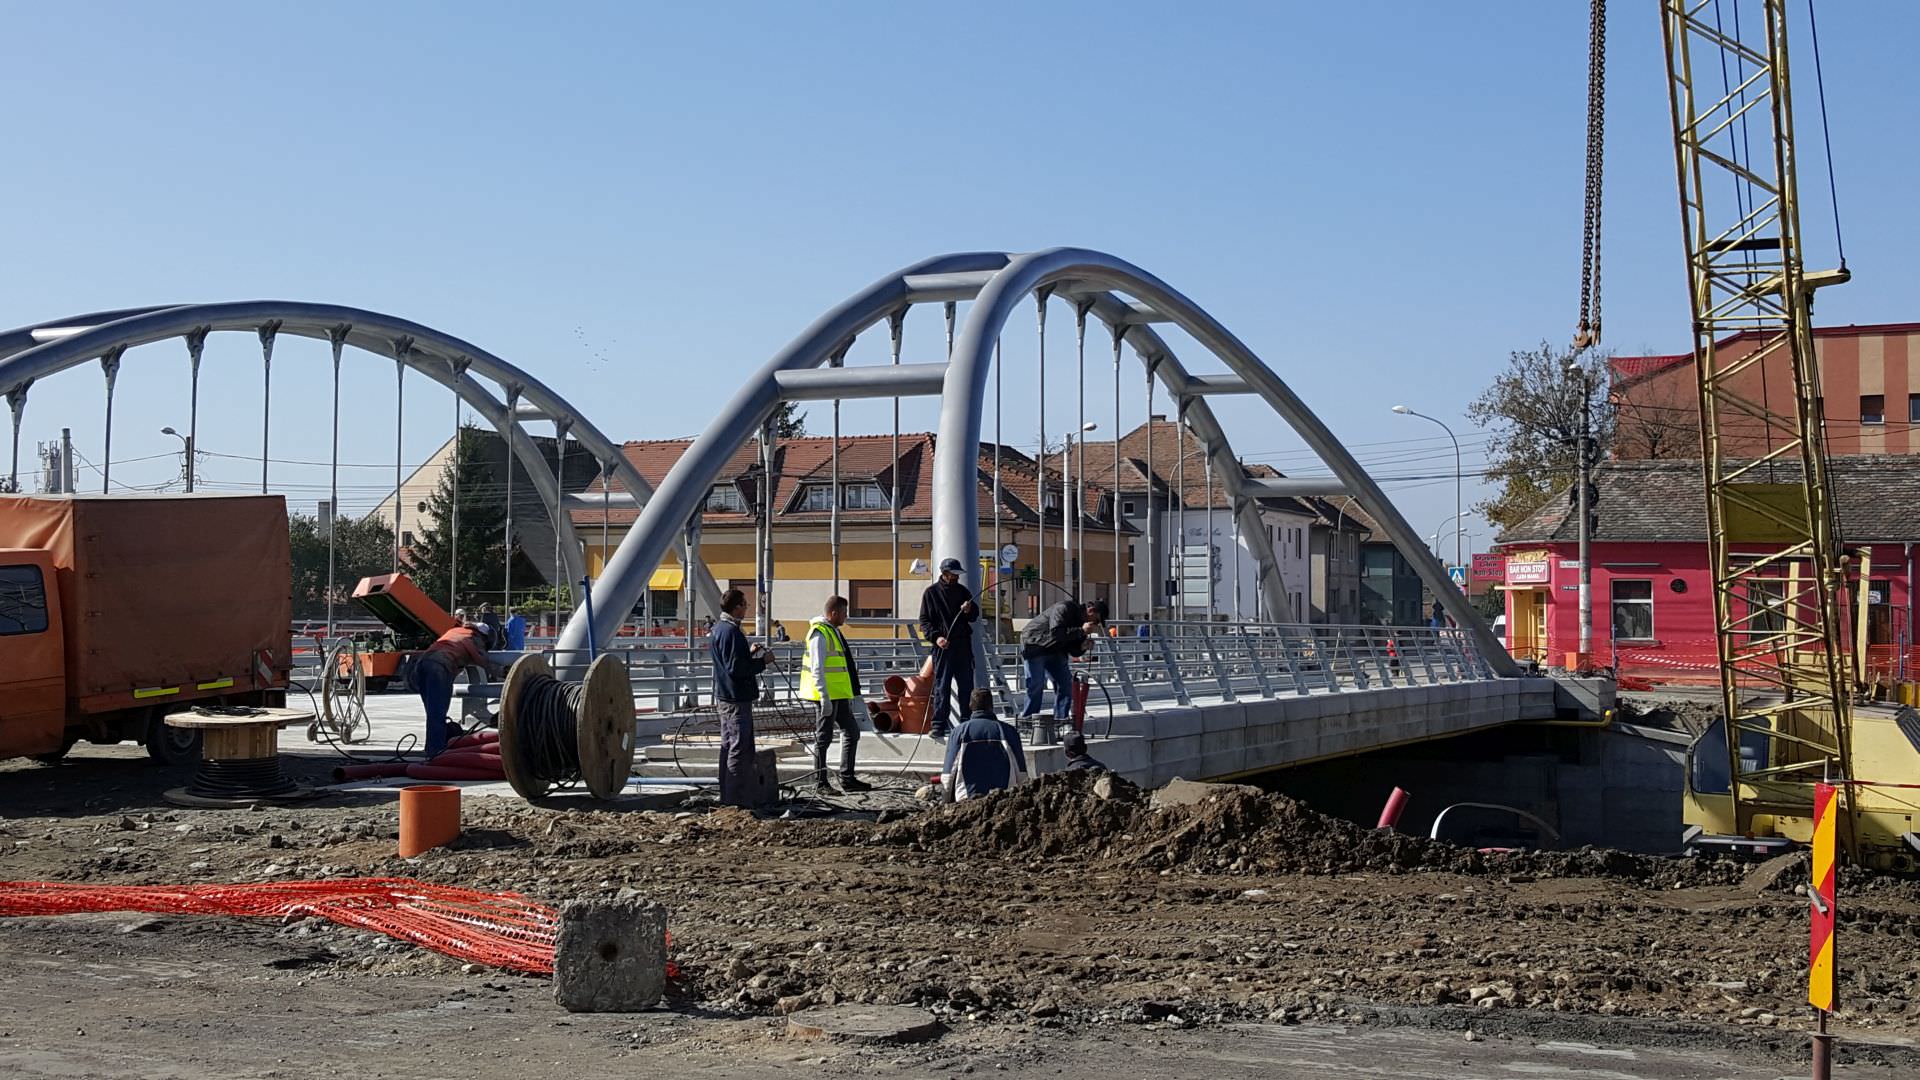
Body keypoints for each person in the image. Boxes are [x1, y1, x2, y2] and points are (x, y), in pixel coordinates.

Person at [800, 596, 871, 795]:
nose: (846, 617)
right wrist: (824, 697)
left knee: (852, 732)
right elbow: (817, 668)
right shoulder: (819, 634)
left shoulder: (833, 632)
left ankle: (847, 778)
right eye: (844, 613)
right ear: (834, 613)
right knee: (823, 738)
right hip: (827, 697)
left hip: (839, 695)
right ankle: (820, 783)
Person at [709, 588, 770, 808]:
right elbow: (736, 668)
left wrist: (749, 652)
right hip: (736, 699)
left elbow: (729, 662)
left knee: (728, 746)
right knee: (739, 748)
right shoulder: (732, 632)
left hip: (725, 697)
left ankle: (728, 797)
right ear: (736, 607)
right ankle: (735, 803)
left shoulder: (719, 629)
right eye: (745, 604)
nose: (747, 608)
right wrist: (763, 662)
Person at [411, 617, 498, 757]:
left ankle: (433, 748)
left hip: (422, 664)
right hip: (439, 667)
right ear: (484, 637)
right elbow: (483, 660)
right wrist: (503, 671)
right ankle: (436, 752)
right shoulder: (474, 637)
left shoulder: (456, 631)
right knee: (437, 714)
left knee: (433, 713)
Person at [1020, 598, 1109, 725]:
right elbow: (1056, 633)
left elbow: (1073, 651)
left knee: (1066, 683)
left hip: (1055, 650)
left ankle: (1060, 720)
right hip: (1036, 644)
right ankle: (1028, 721)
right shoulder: (1064, 608)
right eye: (1096, 620)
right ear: (1091, 611)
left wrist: (1082, 646)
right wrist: (1081, 631)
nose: (1095, 624)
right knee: (1036, 683)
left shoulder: (1082, 624)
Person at [917, 557, 978, 739]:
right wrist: (937, 638)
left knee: (967, 684)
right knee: (941, 686)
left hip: (963, 645)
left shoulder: (963, 591)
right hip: (943, 648)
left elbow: (974, 615)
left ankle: (967, 720)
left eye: (958, 575)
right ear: (945, 574)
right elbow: (924, 621)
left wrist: (969, 609)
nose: (956, 578)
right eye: (953, 574)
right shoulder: (931, 593)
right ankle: (938, 724)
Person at [942, 689, 1027, 801]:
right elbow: (1021, 773)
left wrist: (946, 802)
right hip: (1003, 800)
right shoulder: (1008, 731)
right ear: (991, 706)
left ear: (970, 705)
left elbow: (948, 775)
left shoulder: (959, 732)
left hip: (967, 800)